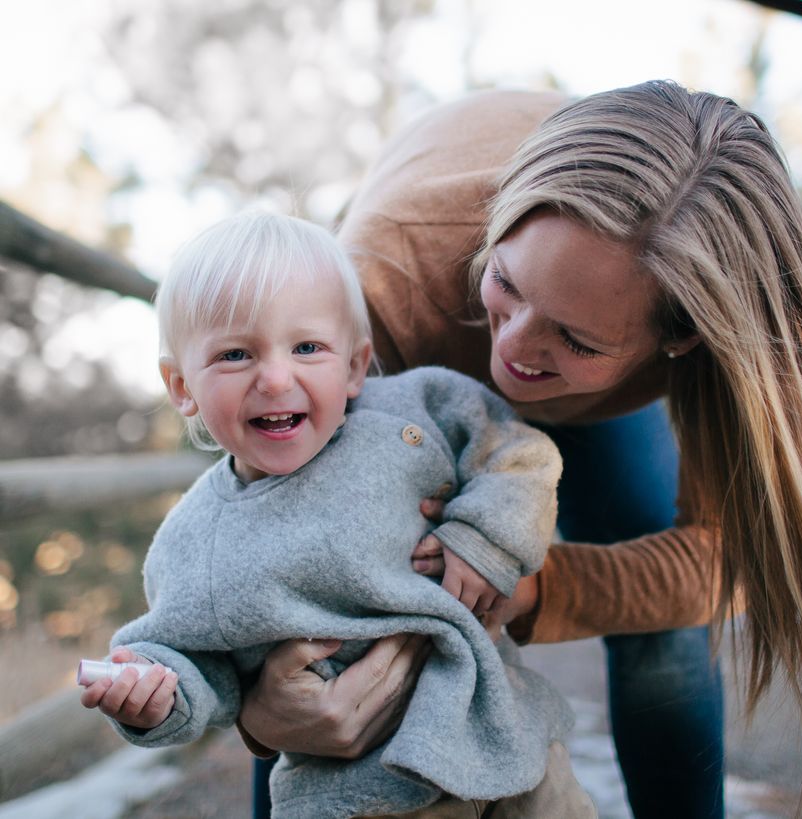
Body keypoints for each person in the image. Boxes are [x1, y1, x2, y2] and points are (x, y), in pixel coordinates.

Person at [239, 80, 802, 819]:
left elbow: (727, 558)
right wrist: (262, 711)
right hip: (421, 330)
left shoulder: (727, 333)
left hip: (609, 393)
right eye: (510, 286)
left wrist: (545, 587)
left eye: (575, 337)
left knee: (662, 619)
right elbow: (280, 540)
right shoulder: (382, 275)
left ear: (684, 340)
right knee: (317, 664)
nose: (511, 351)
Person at [80, 210, 596, 819]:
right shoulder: (194, 544)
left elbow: (518, 453)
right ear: (181, 386)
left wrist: (484, 535)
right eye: (235, 354)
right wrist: (157, 695)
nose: (276, 378)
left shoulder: (415, 410)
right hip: (370, 792)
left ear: (354, 366)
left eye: (307, 347)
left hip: (506, 732)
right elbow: (195, 662)